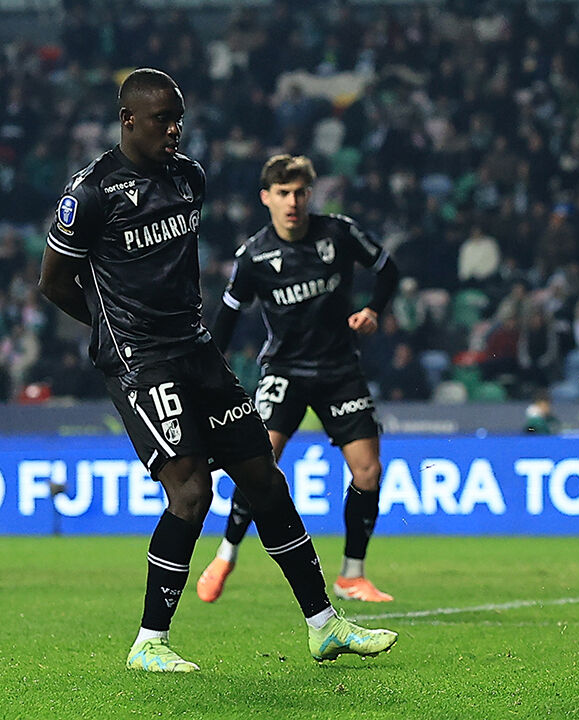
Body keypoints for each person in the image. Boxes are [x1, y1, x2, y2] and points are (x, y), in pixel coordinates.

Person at [38, 69, 396, 672]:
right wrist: (112, 332)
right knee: (192, 490)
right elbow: (53, 282)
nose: (175, 129)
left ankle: (324, 625)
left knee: (263, 476)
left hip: (195, 349)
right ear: (128, 120)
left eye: (179, 117)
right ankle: (149, 642)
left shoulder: (188, 177)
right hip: (141, 360)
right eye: (161, 119)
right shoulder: (91, 193)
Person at [194, 154, 401, 604]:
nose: (293, 202)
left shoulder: (338, 232)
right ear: (266, 198)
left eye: (300, 192)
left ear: (310, 194)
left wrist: (372, 311)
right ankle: (226, 554)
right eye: (283, 193)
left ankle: (352, 574)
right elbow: (227, 319)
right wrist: (206, 374)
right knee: (259, 463)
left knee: (368, 471)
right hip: (285, 371)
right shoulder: (254, 256)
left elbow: (387, 269)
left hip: (340, 369)